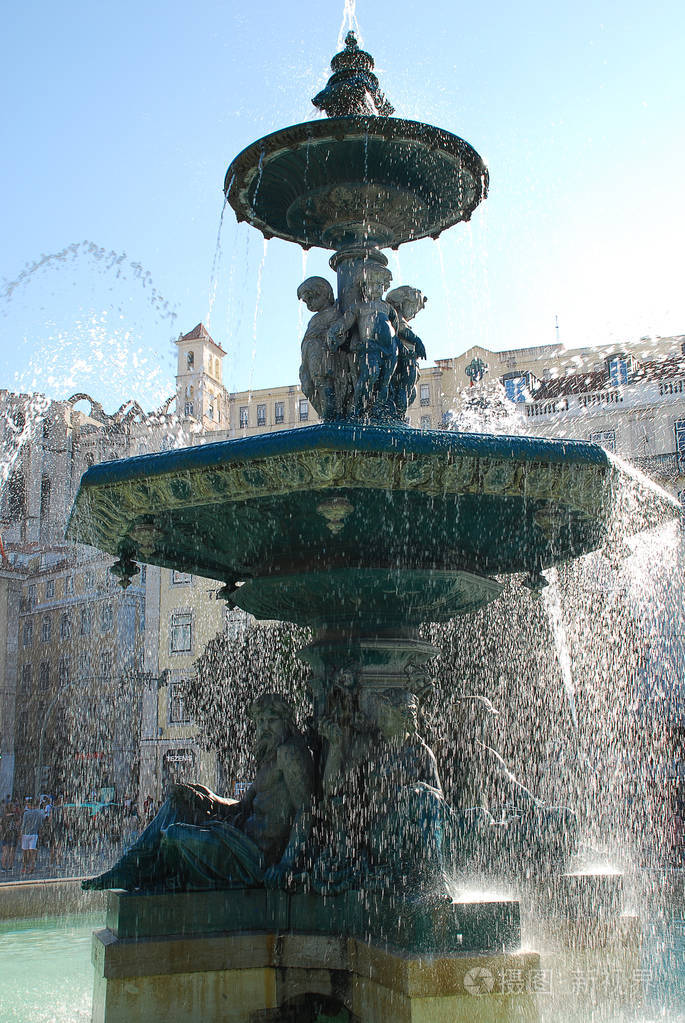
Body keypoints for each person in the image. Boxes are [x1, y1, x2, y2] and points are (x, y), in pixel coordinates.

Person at [83, 694, 315, 891]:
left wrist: (286, 864)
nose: (264, 728)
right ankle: (128, 867)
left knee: (175, 835)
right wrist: (204, 796)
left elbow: (306, 809)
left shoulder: (290, 753)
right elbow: (241, 807)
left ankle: (146, 875)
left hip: (256, 854)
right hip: (239, 836)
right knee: (179, 803)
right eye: (261, 721)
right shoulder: (269, 758)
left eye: (271, 720)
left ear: (286, 720)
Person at [328, 263, 399, 419]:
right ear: (364, 288)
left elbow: (396, 325)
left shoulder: (387, 308)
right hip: (369, 347)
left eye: (379, 285)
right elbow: (345, 322)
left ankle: (379, 408)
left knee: (386, 380)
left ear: (384, 287)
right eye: (371, 285)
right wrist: (335, 331)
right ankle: (357, 407)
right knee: (369, 375)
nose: (375, 288)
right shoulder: (359, 307)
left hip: (390, 348)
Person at [297, 277, 342, 420]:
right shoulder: (315, 318)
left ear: (323, 293)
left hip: (322, 357)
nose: (309, 304)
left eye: (310, 298)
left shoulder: (334, 313)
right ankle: (324, 414)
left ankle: (330, 415)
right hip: (308, 358)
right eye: (306, 301)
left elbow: (340, 335)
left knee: (324, 385)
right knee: (307, 387)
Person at [385, 286, 428, 417]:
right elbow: (402, 330)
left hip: (405, 360)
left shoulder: (393, 316)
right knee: (405, 389)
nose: (414, 315)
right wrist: (417, 341)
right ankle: (398, 416)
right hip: (406, 360)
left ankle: (398, 414)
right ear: (403, 302)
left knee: (407, 392)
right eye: (414, 309)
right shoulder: (396, 317)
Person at [20, 798, 45, 876]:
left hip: (26, 834)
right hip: (34, 834)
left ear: (29, 805)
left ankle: (24, 867)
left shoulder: (26, 814)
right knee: (32, 851)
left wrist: (20, 833)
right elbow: (41, 824)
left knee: (25, 851)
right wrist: (40, 832)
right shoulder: (38, 813)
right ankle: (32, 866)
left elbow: (23, 824)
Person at [1, 802, 20, 872]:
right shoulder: (15, 816)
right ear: (11, 808)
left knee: (5, 851)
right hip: (13, 834)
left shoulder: (4, 816)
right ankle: (10, 866)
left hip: (4, 835)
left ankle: (3, 866)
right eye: (14, 807)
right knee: (12, 851)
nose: (15, 808)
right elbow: (18, 825)